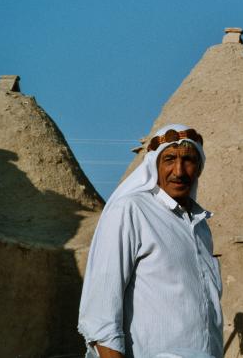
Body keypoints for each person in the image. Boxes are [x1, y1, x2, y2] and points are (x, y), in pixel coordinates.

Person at [78, 124, 222, 358]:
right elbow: (100, 315)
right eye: (169, 159)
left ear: (199, 167)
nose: (179, 171)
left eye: (188, 160)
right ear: (154, 165)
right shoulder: (131, 211)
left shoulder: (200, 226)